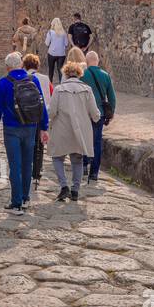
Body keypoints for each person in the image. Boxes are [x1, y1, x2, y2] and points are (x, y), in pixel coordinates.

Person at [0, 52, 48, 215]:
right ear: (21, 65)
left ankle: (16, 203)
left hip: (11, 128)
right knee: (27, 164)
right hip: (31, 127)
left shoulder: (3, 83)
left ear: (8, 67)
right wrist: (44, 127)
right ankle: (25, 198)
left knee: (15, 165)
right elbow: (41, 104)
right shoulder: (34, 80)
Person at [46, 55, 100, 202]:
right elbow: (95, 113)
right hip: (80, 130)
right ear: (79, 74)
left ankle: (64, 186)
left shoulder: (59, 89)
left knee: (57, 157)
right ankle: (75, 190)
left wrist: (47, 121)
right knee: (77, 160)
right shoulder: (87, 90)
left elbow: (52, 112)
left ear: (65, 73)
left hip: (62, 129)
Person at [82, 51, 116, 184]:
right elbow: (111, 97)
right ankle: (94, 173)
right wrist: (111, 112)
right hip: (100, 113)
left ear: (86, 61)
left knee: (84, 139)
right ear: (98, 61)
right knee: (96, 142)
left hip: (85, 113)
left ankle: (84, 165)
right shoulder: (105, 76)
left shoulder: (82, 75)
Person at [23, 53, 54, 185]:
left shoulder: (24, 77)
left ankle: (26, 170)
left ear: (24, 65)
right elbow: (51, 94)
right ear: (37, 65)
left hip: (27, 116)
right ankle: (37, 171)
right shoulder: (45, 78)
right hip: (42, 114)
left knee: (27, 144)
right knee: (39, 145)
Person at [45, 17, 69, 84]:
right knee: (60, 70)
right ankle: (62, 84)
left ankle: (50, 85)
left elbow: (47, 43)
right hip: (61, 54)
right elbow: (66, 44)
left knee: (51, 70)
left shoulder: (50, 32)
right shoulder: (64, 33)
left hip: (51, 53)